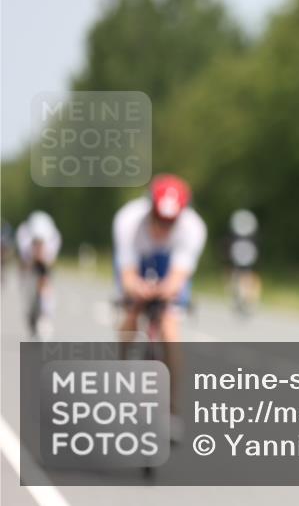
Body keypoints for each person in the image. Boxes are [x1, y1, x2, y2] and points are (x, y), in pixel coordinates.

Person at [113, 173, 207, 439]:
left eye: (170, 223)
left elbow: (178, 277)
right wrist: (137, 290)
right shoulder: (127, 221)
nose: (164, 228)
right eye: (159, 220)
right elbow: (128, 274)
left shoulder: (193, 228)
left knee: (170, 328)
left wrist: (165, 292)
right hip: (137, 261)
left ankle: (172, 412)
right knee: (131, 312)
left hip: (169, 265)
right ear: (150, 210)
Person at [15, 211, 62, 338]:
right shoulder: (23, 237)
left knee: (45, 283)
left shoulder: (53, 240)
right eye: (36, 244)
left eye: (41, 245)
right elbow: (23, 264)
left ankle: (46, 315)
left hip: (45, 260)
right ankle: (31, 313)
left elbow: (50, 264)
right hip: (28, 261)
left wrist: (44, 275)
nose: (38, 248)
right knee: (27, 285)